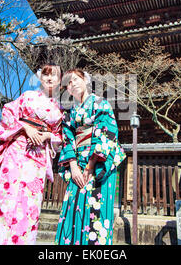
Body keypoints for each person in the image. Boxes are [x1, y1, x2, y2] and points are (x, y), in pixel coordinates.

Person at [0, 64, 63, 245]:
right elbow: (8, 112)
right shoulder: (27, 96)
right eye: (46, 75)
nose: (49, 79)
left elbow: (59, 135)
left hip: (38, 158)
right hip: (17, 151)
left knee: (30, 201)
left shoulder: (58, 109)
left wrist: (47, 135)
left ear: (60, 81)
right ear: (40, 78)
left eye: (54, 76)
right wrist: (25, 127)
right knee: (6, 196)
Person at [55, 69, 126, 245]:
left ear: (86, 81)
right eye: (69, 83)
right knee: (73, 208)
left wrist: (91, 165)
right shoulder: (69, 112)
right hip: (76, 164)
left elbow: (106, 132)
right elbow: (67, 138)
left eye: (76, 79)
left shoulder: (101, 103)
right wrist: (73, 166)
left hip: (99, 163)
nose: (73, 84)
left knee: (97, 210)